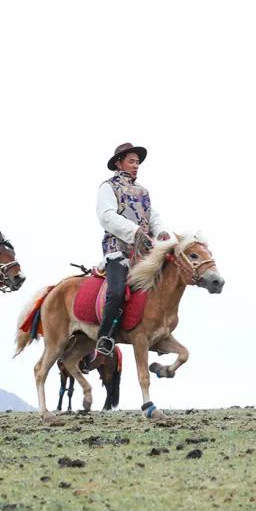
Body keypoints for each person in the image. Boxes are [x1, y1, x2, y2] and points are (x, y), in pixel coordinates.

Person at [95, 143, 176, 356]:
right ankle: (105, 336)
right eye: (131, 161)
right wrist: (135, 232)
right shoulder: (108, 187)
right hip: (118, 251)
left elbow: (153, 217)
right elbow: (106, 216)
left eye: (137, 162)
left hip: (144, 254)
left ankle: (158, 332)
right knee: (117, 291)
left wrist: (163, 234)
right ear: (118, 163)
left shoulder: (142, 192)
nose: (136, 165)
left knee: (166, 283)